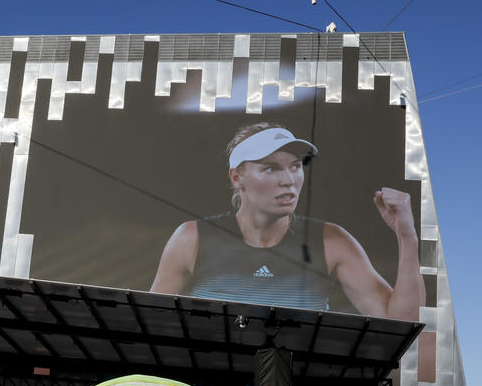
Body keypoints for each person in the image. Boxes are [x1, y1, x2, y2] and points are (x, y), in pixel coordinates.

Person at [150, 122, 425, 321]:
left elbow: (402, 324)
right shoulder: (191, 238)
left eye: (295, 166)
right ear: (237, 178)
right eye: (271, 168)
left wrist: (407, 237)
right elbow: (151, 323)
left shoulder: (332, 241)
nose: (289, 180)